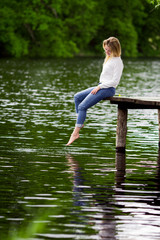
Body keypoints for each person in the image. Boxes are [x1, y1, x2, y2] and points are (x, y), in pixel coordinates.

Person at [66, 37, 124, 146]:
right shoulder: (109, 58)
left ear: (115, 49)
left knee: (82, 106)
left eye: (109, 50)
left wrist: (100, 87)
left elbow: (115, 81)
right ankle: (80, 122)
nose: (106, 52)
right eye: (105, 49)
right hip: (101, 86)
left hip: (108, 89)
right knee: (77, 97)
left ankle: (75, 133)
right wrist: (99, 86)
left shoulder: (118, 62)